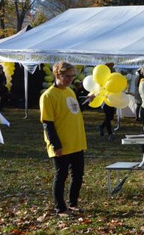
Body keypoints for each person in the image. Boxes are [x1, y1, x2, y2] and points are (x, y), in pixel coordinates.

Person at [40, 61, 89, 215]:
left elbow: (73, 110)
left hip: (76, 141)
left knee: (78, 174)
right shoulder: (48, 96)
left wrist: (87, 100)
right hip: (61, 143)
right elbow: (47, 123)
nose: (70, 79)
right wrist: (56, 145)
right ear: (57, 75)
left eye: (72, 76)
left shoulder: (70, 91)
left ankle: (73, 203)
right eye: (66, 76)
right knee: (61, 175)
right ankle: (60, 207)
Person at [98, 63, 117, 140]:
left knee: (110, 117)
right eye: (110, 68)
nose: (112, 69)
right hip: (106, 100)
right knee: (108, 117)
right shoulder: (104, 79)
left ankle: (101, 127)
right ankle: (110, 134)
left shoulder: (113, 78)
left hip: (112, 99)